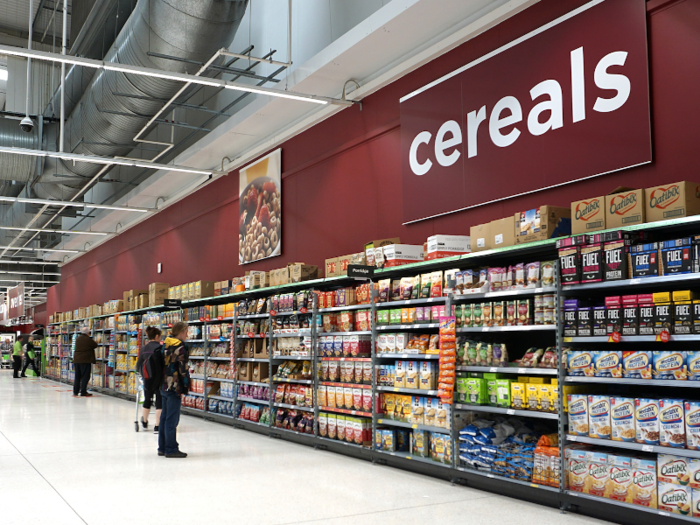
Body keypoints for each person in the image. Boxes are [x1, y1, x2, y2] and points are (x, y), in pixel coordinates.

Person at [159, 322, 190, 458]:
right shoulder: (180, 347)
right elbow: (183, 370)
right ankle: (171, 449)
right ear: (182, 332)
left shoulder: (165, 344)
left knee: (164, 418)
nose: (187, 334)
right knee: (172, 419)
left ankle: (162, 447)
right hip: (174, 386)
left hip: (163, 385)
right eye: (186, 332)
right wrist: (186, 386)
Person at [136, 326, 164, 433]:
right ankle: (157, 426)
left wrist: (142, 375)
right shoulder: (161, 348)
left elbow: (139, 365)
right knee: (159, 401)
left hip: (147, 378)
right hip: (159, 378)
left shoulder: (144, 348)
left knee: (147, 399)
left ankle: (144, 421)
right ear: (157, 336)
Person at [73, 327, 97, 397]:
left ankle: (75, 391)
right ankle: (83, 391)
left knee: (77, 376)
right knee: (85, 376)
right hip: (85, 360)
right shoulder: (88, 339)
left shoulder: (78, 339)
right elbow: (95, 345)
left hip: (77, 360)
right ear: (88, 332)